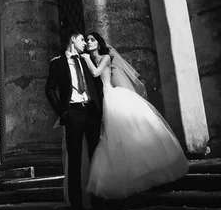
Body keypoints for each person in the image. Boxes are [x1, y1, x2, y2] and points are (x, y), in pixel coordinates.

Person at [81, 31, 189, 200]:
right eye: (87, 40)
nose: (89, 42)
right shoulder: (94, 58)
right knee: (116, 138)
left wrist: (86, 59)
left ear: (99, 43)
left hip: (113, 96)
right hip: (106, 98)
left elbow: (96, 73)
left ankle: (149, 168)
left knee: (127, 133)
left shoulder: (105, 57)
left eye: (92, 40)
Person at [45, 32, 103, 210]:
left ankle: (98, 201)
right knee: (75, 160)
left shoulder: (87, 60)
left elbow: (98, 83)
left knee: (96, 156)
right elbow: (50, 89)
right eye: (81, 40)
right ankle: (76, 205)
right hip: (73, 113)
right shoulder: (58, 63)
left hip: (91, 112)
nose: (85, 43)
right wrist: (63, 112)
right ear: (72, 40)